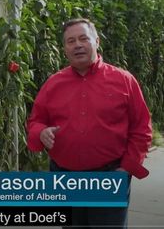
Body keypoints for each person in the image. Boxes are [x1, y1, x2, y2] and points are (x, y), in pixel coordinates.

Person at [26, 18, 152, 228]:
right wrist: (41, 132)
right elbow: (36, 120)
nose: (77, 45)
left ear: (97, 41)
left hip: (109, 176)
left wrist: (126, 168)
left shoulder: (124, 80)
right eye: (71, 41)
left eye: (83, 38)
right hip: (64, 177)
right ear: (64, 48)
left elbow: (142, 128)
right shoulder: (53, 84)